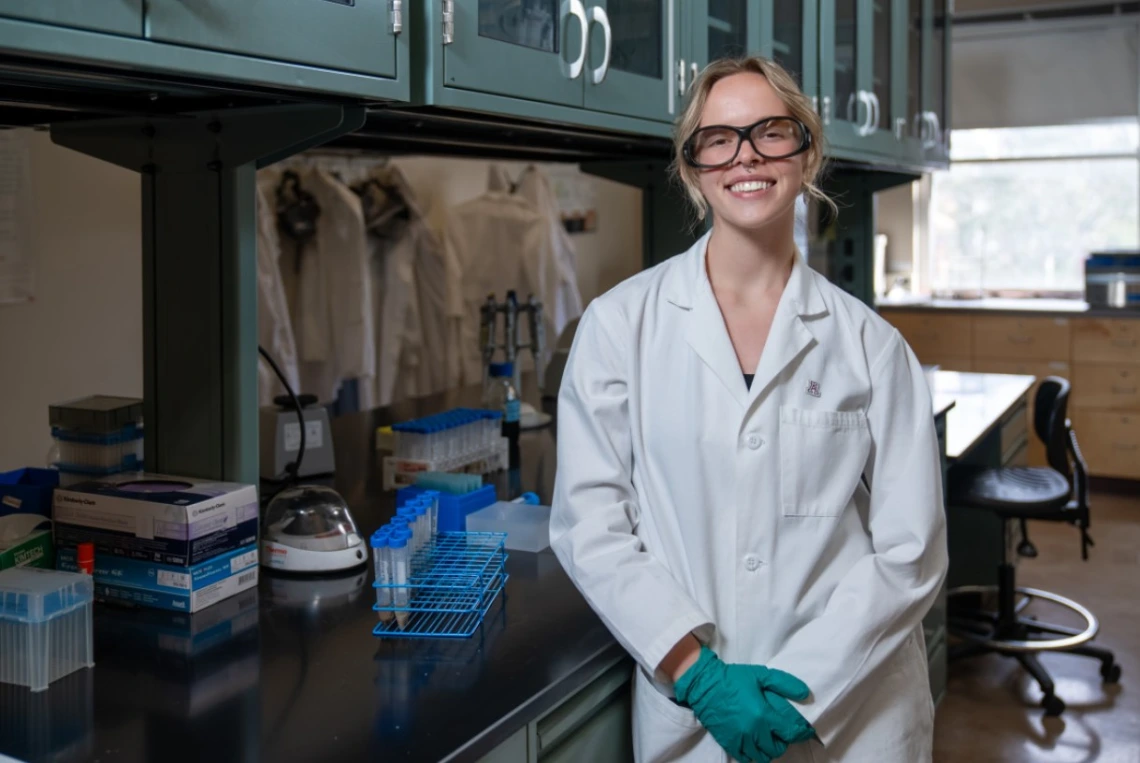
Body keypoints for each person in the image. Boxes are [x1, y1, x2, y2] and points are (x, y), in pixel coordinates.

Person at [550, 55, 948, 763]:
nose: (747, 157)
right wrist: (697, 674)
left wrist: (807, 688)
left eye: (771, 132)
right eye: (719, 139)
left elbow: (910, 550)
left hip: (853, 714)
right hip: (695, 710)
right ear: (693, 168)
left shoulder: (871, 347)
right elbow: (592, 525)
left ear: (807, 151)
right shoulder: (619, 327)